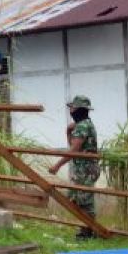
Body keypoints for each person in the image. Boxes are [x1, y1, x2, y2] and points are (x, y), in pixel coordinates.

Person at [49, 95, 101, 239]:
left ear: (78, 110)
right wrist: (68, 131)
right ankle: (87, 229)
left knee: (85, 200)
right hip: (82, 169)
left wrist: (57, 165)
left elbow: (74, 150)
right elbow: (73, 145)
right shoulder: (82, 125)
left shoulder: (83, 126)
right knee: (77, 199)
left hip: (86, 169)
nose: (70, 110)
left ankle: (90, 231)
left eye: (72, 108)